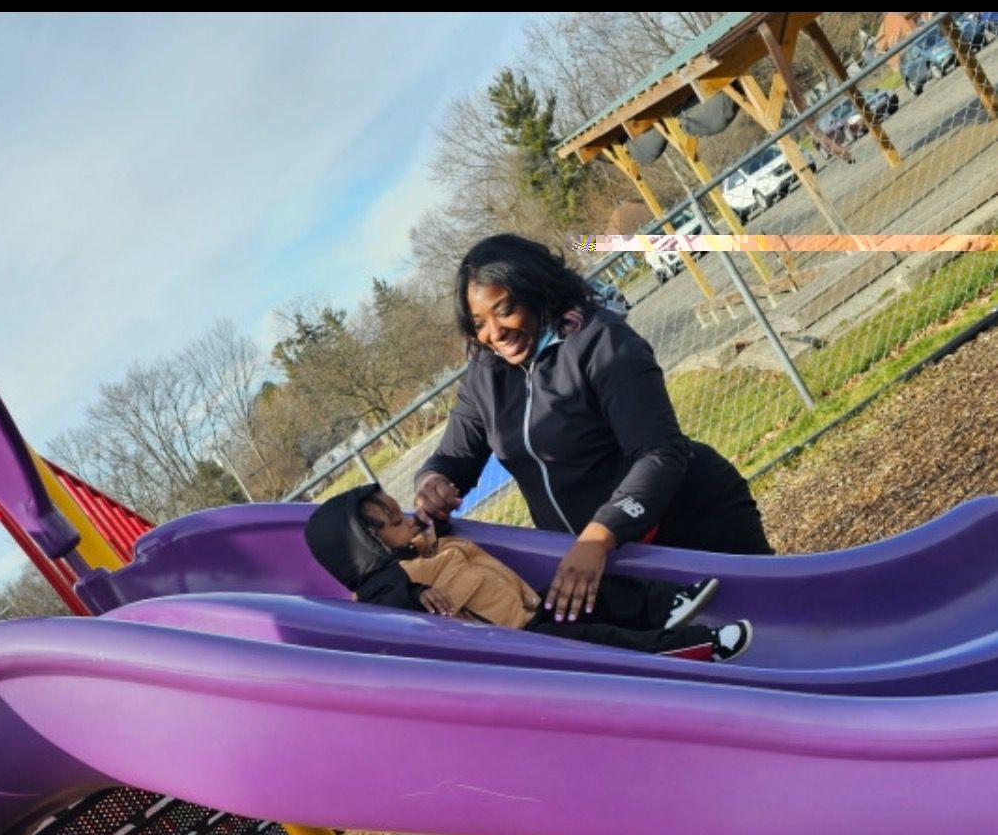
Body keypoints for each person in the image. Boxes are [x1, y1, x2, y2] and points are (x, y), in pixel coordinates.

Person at [414, 232, 772, 628]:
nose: (495, 333)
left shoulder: (601, 340)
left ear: (537, 291)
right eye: (480, 323)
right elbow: (456, 456)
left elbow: (659, 453)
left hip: (689, 527)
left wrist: (598, 537)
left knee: (771, 639)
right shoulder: (486, 375)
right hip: (603, 567)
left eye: (505, 310)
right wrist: (433, 479)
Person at [304, 485, 754, 660]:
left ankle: (665, 607)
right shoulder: (387, 586)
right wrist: (418, 595)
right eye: (395, 522)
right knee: (601, 643)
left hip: (533, 611)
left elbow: (435, 541)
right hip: (528, 649)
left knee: (588, 590)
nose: (406, 519)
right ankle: (694, 648)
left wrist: (430, 520)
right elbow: (388, 612)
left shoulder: (421, 548)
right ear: (371, 547)